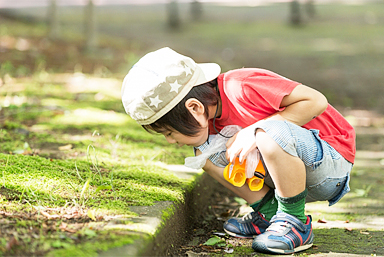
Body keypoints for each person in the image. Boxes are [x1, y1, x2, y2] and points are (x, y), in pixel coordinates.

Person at [121, 47, 355, 254]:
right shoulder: (211, 118)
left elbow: (316, 101)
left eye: (169, 132)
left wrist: (254, 130)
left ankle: (295, 222)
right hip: (291, 173)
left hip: (330, 162)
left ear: (194, 108)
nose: (171, 141)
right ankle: (271, 214)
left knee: (267, 132)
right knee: (205, 154)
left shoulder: (241, 86)